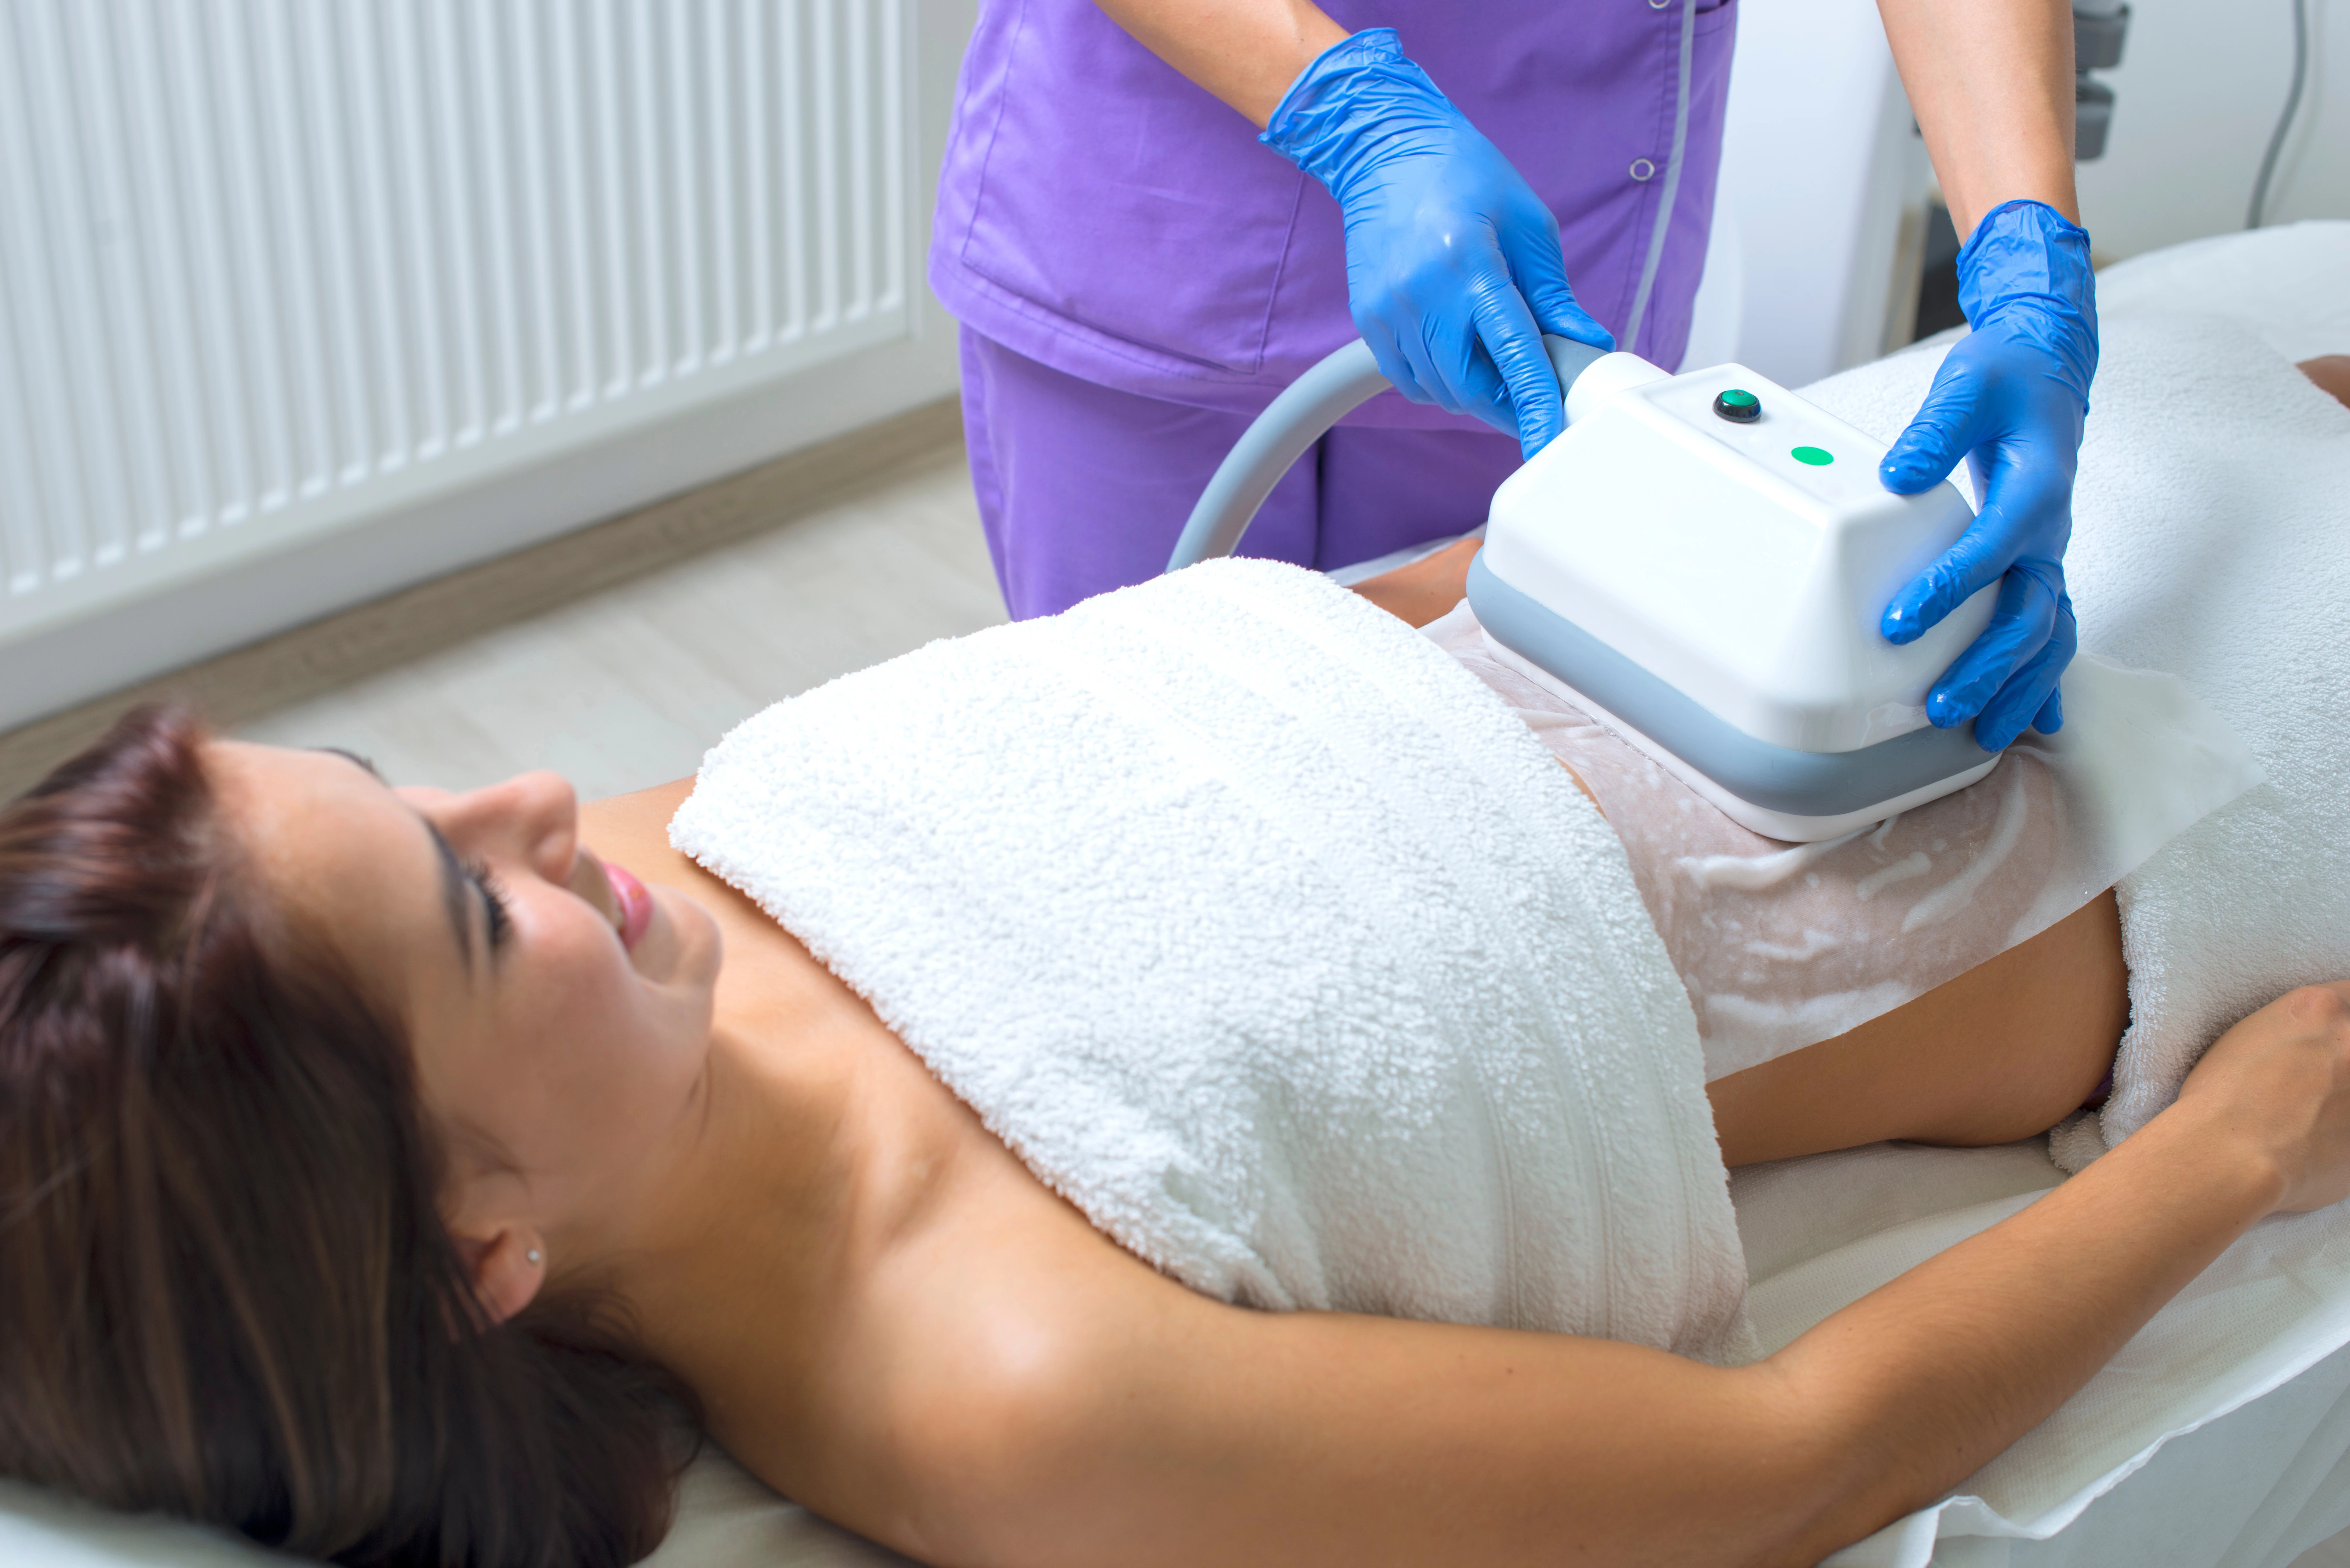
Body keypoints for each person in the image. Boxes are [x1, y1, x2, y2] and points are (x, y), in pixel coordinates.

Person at [4, 471, 2347, 1563]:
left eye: (403, 780)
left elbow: (1205, 693)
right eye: (460, 898)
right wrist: (2239, 1150)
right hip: (2080, 860)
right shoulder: (997, 1385)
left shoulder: (658, 874)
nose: (525, 792)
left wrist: (1594, 530)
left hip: (1747, 591)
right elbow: (1791, 1462)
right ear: (478, 1248)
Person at [938, 0, 2097, 754]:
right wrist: (1354, 115)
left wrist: (2026, 260)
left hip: (1537, 294)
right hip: (1159, 208)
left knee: (1458, 769)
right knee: (1135, 762)